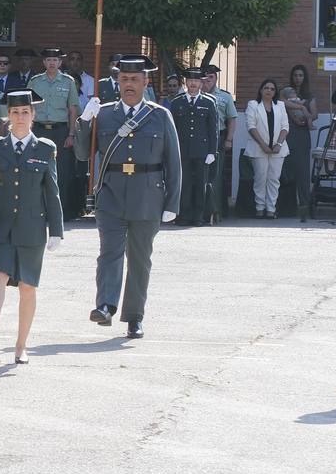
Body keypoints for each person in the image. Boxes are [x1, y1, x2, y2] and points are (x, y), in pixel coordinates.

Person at [79, 55, 180, 339]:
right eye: (124, 79)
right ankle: (106, 305)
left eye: (135, 79)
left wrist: (172, 203)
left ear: (146, 82)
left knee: (140, 258)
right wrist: (85, 122)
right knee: (109, 253)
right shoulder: (105, 114)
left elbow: (173, 160)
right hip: (111, 193)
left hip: (148, 195)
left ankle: (135, 316)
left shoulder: (160, 115)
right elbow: (81, 153)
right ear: (117, 82)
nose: (129, 85)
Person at [0, 90, 64, 364]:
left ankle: (21, 346)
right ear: (8, 116)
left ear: (33, 116)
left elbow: (52, 191)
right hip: (1, 224)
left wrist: (57, 230)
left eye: (25, 112)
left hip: (32, 227)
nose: (20, 117)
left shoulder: (45, 148)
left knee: (28, 287)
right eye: (15, 112)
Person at [29, 48, 84, 221]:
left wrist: (71, 134)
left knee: (62, 172)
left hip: (61, 131)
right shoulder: (35, 81)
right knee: (36, 170)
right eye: (48, 60)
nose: (52, 63)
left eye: (55, 60)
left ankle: (62, 212)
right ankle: (38, 211)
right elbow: (28, 107)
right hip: (38, 129)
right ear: (44, 62)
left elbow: (73, 109)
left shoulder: (68, 81)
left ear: (60, 63)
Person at [168, 70, 221, 226]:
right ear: (185, 82)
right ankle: (183, 215)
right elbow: (172, 130)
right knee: (184, 185)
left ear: (201, 83)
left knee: (200, 185)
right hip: (182, 151)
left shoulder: (209, 102)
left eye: (196, 81)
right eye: (190, 80)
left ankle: (198, 216)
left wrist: (212, 151)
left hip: (202, 151)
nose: (193, 83)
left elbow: (213, 130)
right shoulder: (177, 102)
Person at [243, 79, 290, 219]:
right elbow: (251, 126)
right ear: (261, 90)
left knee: (274, 179)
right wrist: (263, 145)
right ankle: (259, 207)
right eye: (266, 88)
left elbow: (285, 127)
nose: (269, 90)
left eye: (272, 89)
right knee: (260, 178)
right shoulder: (253, 105)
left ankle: (271, 209)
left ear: (275, 92)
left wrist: (279, 144)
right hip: (259, 147)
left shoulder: (280, 105)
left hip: (278, 149)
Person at [202, 64, 241, 217]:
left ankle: (216, 209)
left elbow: (232, 119)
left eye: (211, 77)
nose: (207, 81)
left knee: (216, 175)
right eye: (205, 78)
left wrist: (229, 139)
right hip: (199, 138)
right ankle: (201, 209)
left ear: (216, 79)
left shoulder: (225, 96)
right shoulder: (194, 95)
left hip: (219, 137)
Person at [283, 67, 314, 214]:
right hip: (287, 134)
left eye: (301, 75)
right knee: (287, 168)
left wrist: (306, 117)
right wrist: (301, 107)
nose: (298, 78)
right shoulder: (285, 91)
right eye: (295, 75)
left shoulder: (309, 95)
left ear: (304, 77)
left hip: (302, 134)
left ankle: (304, 204)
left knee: (303, 171)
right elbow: (281, 102)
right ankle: (287, 204)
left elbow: (314, 114)